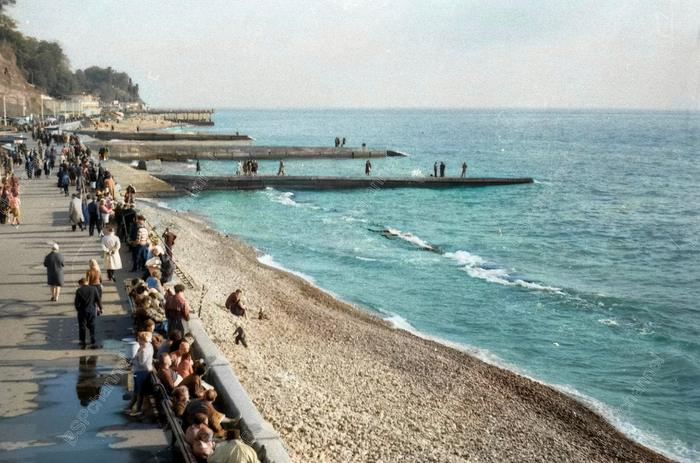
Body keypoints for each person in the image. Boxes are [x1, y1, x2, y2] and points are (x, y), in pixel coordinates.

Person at [123, 331, 154, 416]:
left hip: (141, 372)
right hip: (144, 371)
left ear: (143, 340)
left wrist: (133, 362)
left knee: (139, 391)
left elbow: (141, 363)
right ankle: (130, 407)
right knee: (137, 391)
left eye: (139, 339)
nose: (138, 340)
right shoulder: (148, 346)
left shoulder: (144, 350)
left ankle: (138, 409)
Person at [74, 278, 102, 346]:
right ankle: (92, 336)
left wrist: (78, 309)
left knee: (82, 325)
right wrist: (100, 308)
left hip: (82, 310)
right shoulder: (94, 289)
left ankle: (82, 340)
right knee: (92, 323)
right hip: (91, 309)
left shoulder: (79, 290)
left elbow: (76, 302)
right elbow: (98, 299)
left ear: (81, 283)